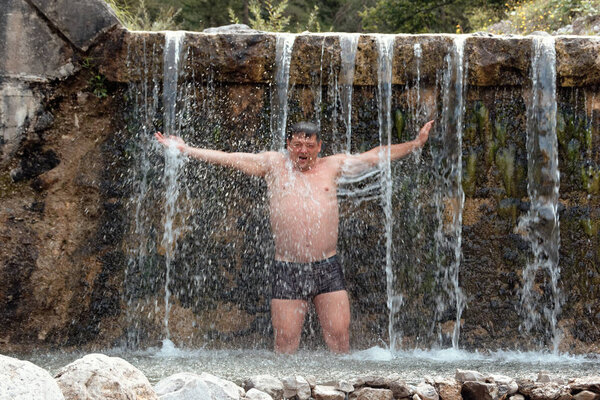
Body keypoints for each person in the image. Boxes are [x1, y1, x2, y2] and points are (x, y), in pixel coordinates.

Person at [155, 119, 433, 354]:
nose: (303, 151)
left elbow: (375, 155)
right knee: (285, 343)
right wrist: (186, 149)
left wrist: (415, 144)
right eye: (298, 145)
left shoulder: (332, 166)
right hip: (287, 268)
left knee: (339, 340)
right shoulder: (273, 165)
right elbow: (231, 158)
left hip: (327, 267)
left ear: (319, 147)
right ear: (289, 144)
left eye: (310, 146)